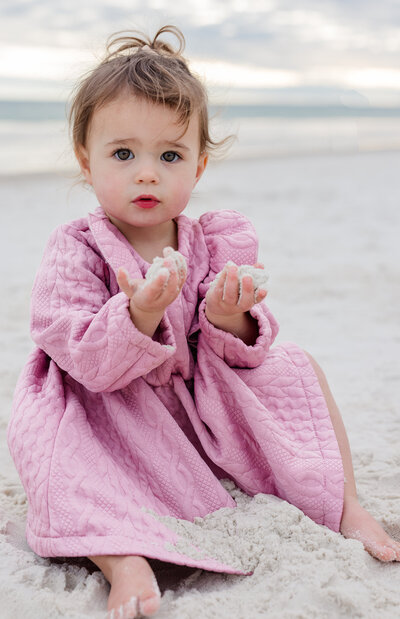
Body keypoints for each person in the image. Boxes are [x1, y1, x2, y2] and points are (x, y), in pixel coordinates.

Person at [7, 25, 400, 619]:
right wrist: (137, 314)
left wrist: (230, 316)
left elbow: (247, 350)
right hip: (110, 406)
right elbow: (78, 351)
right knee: (63, 456)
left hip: (197, 403)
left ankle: (345, 505)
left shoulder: (216, 240)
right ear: (86, 162)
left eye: (169, 155)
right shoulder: (76, 250)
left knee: (298, 366)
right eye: (123, 154)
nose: (147, 173)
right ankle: (123, 560)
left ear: (199, 165)